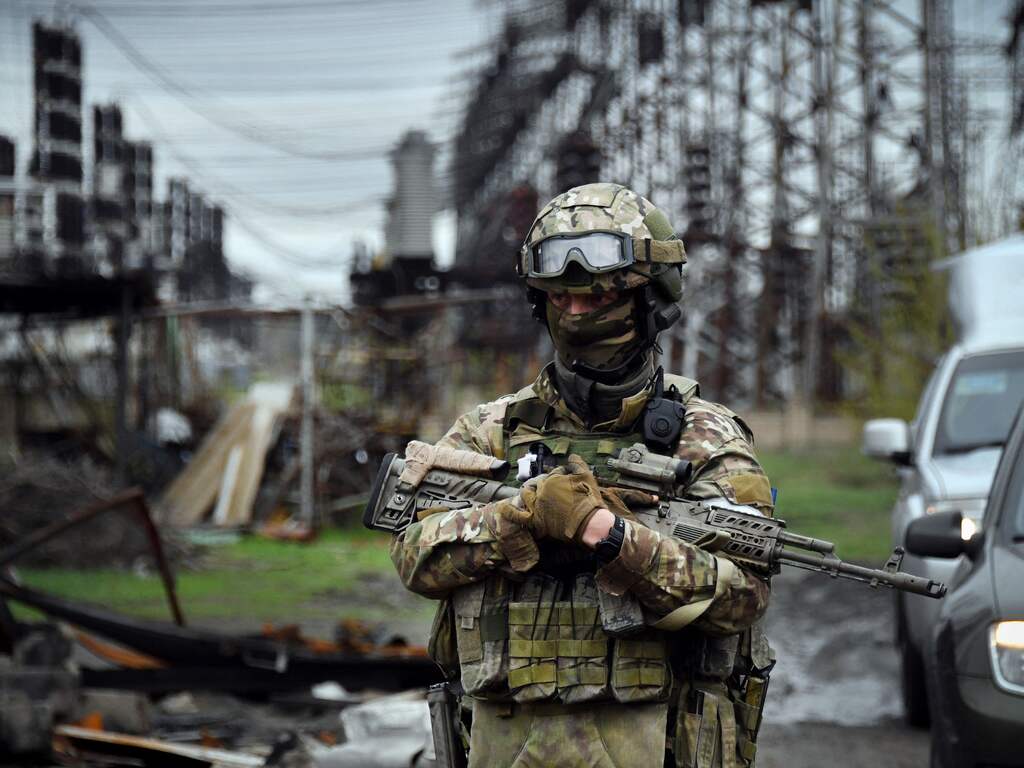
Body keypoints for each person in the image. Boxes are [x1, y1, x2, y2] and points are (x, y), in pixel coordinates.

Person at [390, 183, 775, 768]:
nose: (575, 315)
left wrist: (610, 536)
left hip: (657, 740)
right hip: (505, 740)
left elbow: (741, 596)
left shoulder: (707, 439)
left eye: (597, 301)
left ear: (651, 298)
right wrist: (518, 519)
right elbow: (413, 553)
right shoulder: (490, 431)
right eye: (560, 300)